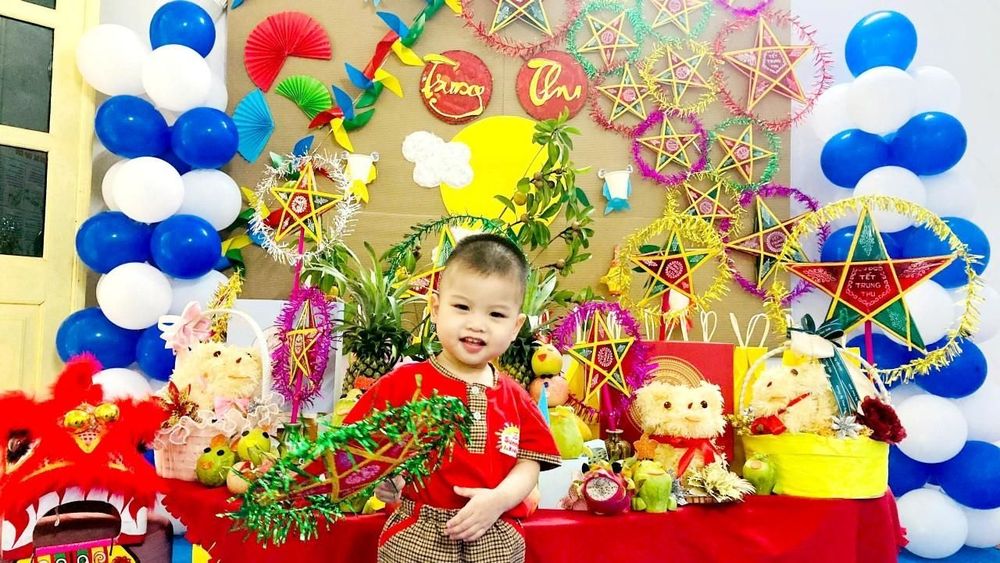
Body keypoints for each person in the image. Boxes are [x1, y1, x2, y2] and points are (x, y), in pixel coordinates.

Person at [344, 233, 561, 563]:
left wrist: (500, 499)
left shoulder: (515, 397)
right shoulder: (405, 383)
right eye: (462, 307)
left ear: (516, 326)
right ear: (435, 308)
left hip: (493, 531)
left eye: (496, 315)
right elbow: (360, 444)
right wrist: (385, 477)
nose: (477, 324)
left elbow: (529, 462)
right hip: (419, 533)